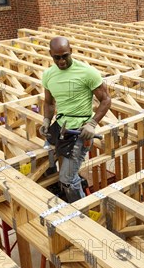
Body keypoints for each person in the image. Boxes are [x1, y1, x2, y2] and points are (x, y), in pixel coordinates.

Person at [39, 36, 111, 203]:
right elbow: (49, 103)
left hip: (79, 131)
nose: (62, 60)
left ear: (71, 51)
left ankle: (81, 212)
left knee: (68, 181)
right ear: (51, 55)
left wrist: (92, 123)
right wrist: (45, 121)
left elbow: (106, 99)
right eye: (57, 57)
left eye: (65, 55)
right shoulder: (48, 75)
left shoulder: (87, 72)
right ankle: (66, 190)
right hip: (61, 126)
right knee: (45, 163)